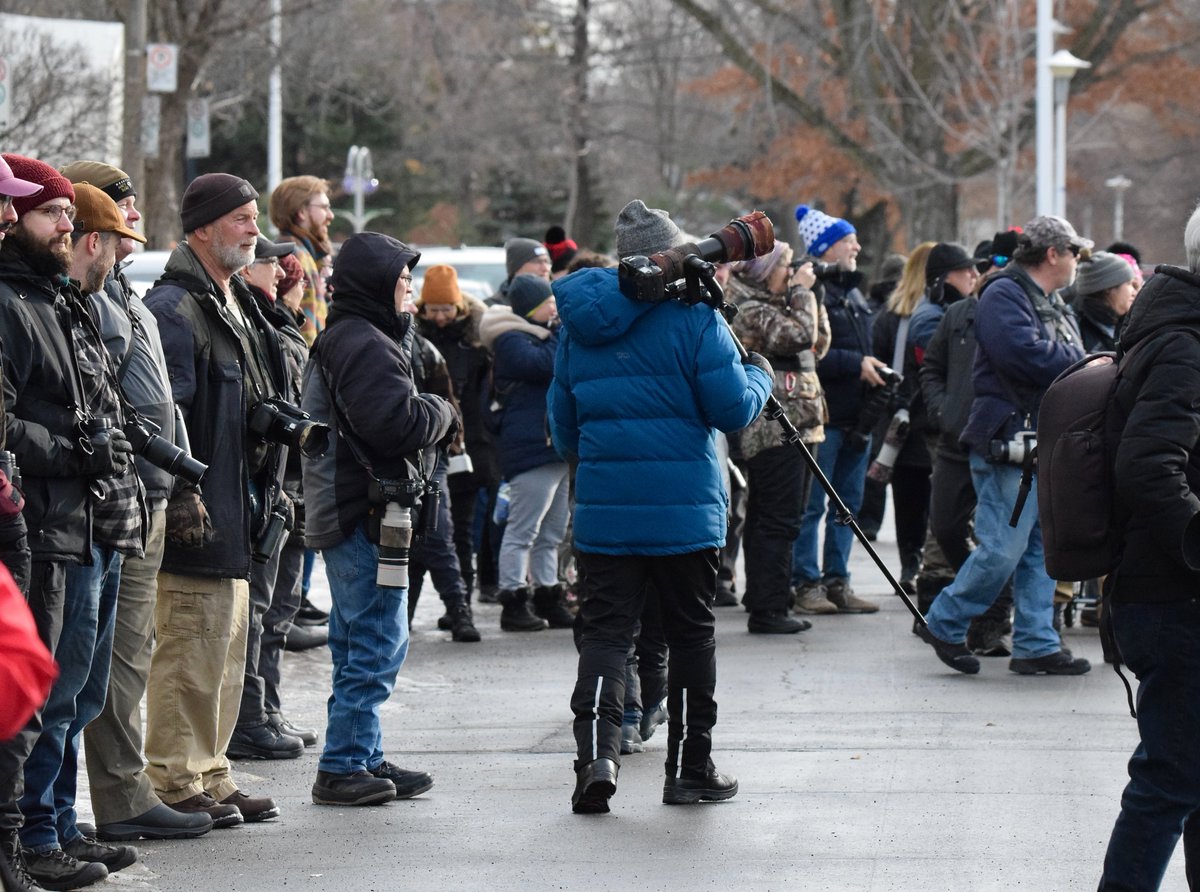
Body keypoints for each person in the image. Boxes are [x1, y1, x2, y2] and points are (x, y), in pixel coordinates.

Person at [549, 199, 772, 813]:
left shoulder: (578, 327)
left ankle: (595, 760)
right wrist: (760, 376)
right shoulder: (697, 321)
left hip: (604, 513)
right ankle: (690, 768)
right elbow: (732, 410)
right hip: (685, 513)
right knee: (692, 636)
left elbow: (562, 428)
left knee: (604, 636)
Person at [58, 161, 217, 845]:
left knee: (120, 656)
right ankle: (109, 801)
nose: (134, 225)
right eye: (123, 213)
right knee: (103, 662)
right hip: (111, 494)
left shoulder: (121, 291)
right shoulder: (89, 298)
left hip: (144, 491)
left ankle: (112, 797)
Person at [144, 173, 291, 828]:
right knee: (189, 653)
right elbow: (162, 414)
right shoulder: (176, 308)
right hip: (197, 515)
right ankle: (174, 781)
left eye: (254, 216)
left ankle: (210, 770)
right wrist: (181, 493)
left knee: (227, 650)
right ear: (202, 226)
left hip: (239, 511)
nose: (253, 229)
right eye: (240, 218)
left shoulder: (234, 302)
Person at [0, 156, 128, 891]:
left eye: (60, 217)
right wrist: (77, 449)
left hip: (78, 521)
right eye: (52, 214)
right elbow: (10, 424)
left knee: (73, 691)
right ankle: (33, 837)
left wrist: (100, 445)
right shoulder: (13, 303)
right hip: (42, 524)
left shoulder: (53, 298)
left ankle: (52, 825)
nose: (57, 227)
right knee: (35, 696)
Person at [302, 231, 454, 807]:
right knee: (375, 638)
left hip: (355, 508)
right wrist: (441, 410)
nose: (410, 291)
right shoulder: (363, 341)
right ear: (376, 285)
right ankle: (342, 765)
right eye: (403, 280)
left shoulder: (356, 334)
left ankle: (363, 753)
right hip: (363, 511)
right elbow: (397, 423)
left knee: (357, 636)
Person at [914, 215, 1092, 677]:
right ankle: (944, 621)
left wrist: (1075, 360)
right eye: (1075, 252)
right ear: (1053, 254)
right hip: (1010, 440)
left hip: (1036, 441)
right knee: (1002, 549)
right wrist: (1081, 361)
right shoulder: (1004, 294)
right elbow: (1027, 354)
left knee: (1038, 547)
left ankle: (1035, 642)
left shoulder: (1045, 298)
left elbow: (1055, 353)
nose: (1078, 261)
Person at [1097, 205, 1200, 890]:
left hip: (1166, 590)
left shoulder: (1169, 330)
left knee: (1186, 775)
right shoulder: (1185, 344)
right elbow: (1148, 466)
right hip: (1172, 594)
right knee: (1171, 776)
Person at [226, 235, 321, 761]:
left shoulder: (278, 323)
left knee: (278, 607)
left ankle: (267, 707)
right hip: (274, 485)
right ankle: (251, 716)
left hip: (291, 486)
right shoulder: (259, 323)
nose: (287, 275)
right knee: (259, 609)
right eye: (274, 264)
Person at [726, 240, 829, 633]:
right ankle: (769, 609)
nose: (791, 273)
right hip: (774, 430)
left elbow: (817, 345)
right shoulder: (749, 308)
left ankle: (766, 596)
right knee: (778, 518)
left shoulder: (778, 305)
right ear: (765, 270)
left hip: (799, 423)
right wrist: (802, 292)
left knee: (778, 515)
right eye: (786, 267)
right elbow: (800, 337)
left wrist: (805, 295)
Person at [791, 204, 884, 615]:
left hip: (857, 417)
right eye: (849, 241)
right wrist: (855, 364)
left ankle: (837, 581)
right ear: (827, 248)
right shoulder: (809, 291)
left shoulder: (854, 293)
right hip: (822, 418)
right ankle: (805, 583)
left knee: (849, 504)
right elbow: (804, 351)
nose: (857, 247)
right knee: (812, 505)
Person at [480, 274, 573, 631]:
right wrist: (563, 332)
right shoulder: (511, 339)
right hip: (532, 448)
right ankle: (513, 600)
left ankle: (548, 596)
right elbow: (545, 364)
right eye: (547, 302)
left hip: (554, 448)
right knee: (522, 531)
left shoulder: (543, 335)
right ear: (531, 308)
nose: (554, 307)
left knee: (551, 532)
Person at [414, 264, 498, 624]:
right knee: (428, 532)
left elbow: (485, 396)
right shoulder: (416, 338)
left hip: (469, 445)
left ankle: (461, 598)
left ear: (458, 306)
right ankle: (441, 606)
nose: (441, 317)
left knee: (459, 530)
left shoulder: (476, 342)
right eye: (434, 310)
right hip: (431, 444)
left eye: (446, 309)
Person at [870, 243, 937, 593]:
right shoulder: (895, 315)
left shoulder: (893, 314)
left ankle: (916, 563)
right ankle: (914, 563)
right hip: (911, 420)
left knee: (916, 500)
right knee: (915, 499)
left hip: (913, 417)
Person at [1072, 251, 1137, 353]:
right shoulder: (1076, 327)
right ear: (1108, 289)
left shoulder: (1131, 325)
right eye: (1129, 284)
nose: (1134, 292)